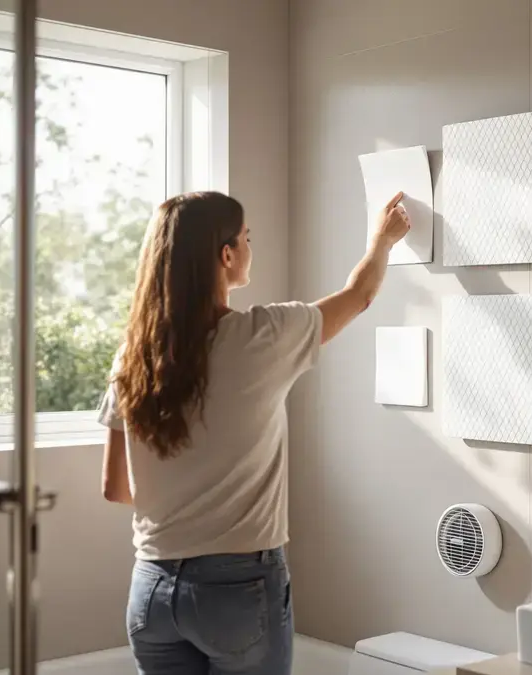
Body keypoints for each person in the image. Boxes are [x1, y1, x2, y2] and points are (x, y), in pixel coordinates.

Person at [96, 189, 410, 675]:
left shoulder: (132, 358)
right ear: (226, 255)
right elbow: (358, 297)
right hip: (236, 588)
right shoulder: (262, 336)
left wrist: (183, 489)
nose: (248, 247)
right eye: (245, 238)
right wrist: (382, 241)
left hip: (151, 592)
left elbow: (116, 489)